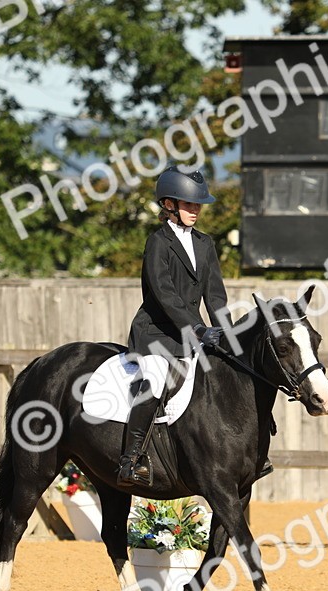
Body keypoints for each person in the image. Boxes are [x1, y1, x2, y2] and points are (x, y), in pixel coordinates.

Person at [117, 165, 230, 489]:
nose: (195, 210)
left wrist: (229, 337)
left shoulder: (205, 243)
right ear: (168, 204)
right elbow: (164, 294)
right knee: (153, 377)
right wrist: (197, 329)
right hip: (156, 334)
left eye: (197, 205)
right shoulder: (158, 243)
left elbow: (216, 295)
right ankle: (131, 459)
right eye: (189, 204)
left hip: (192, 334)